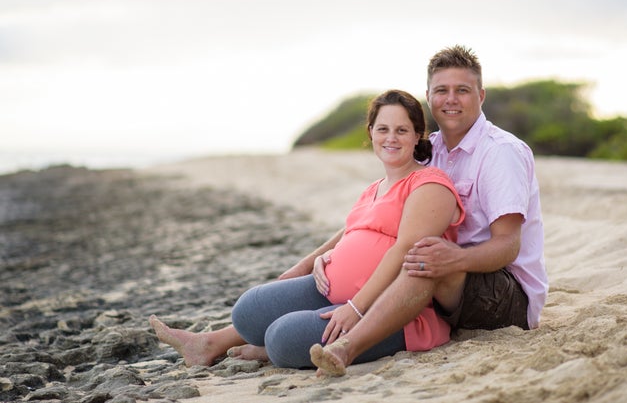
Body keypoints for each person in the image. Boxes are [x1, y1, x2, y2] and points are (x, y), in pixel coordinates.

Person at [150, 89, 465, 369]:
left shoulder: (429, 184)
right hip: (332, 293)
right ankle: (209, 344)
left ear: (417, 135)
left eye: (402, 130)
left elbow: (404, 249)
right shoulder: (374, 188)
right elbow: (350, 232)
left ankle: (268, 349)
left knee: (282, 339)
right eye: (383, 129)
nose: (391, 138)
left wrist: (355, 307)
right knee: (249, 310)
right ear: (371, 133)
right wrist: (311, 261)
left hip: (387, 313)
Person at [310, 45, 548, 375]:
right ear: (428, 96)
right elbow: (382, 210)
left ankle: (347, 348)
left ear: (481, 95)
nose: (451, 99)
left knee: (423, 256)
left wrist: (455, 258)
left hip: (504, 294)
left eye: (462, 90)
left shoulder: (500, 153)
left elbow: (508, 245)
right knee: (402, 254)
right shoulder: (427, 149)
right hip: (444, 276)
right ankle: (265, 339)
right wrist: (331, 252)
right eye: (441, 91)